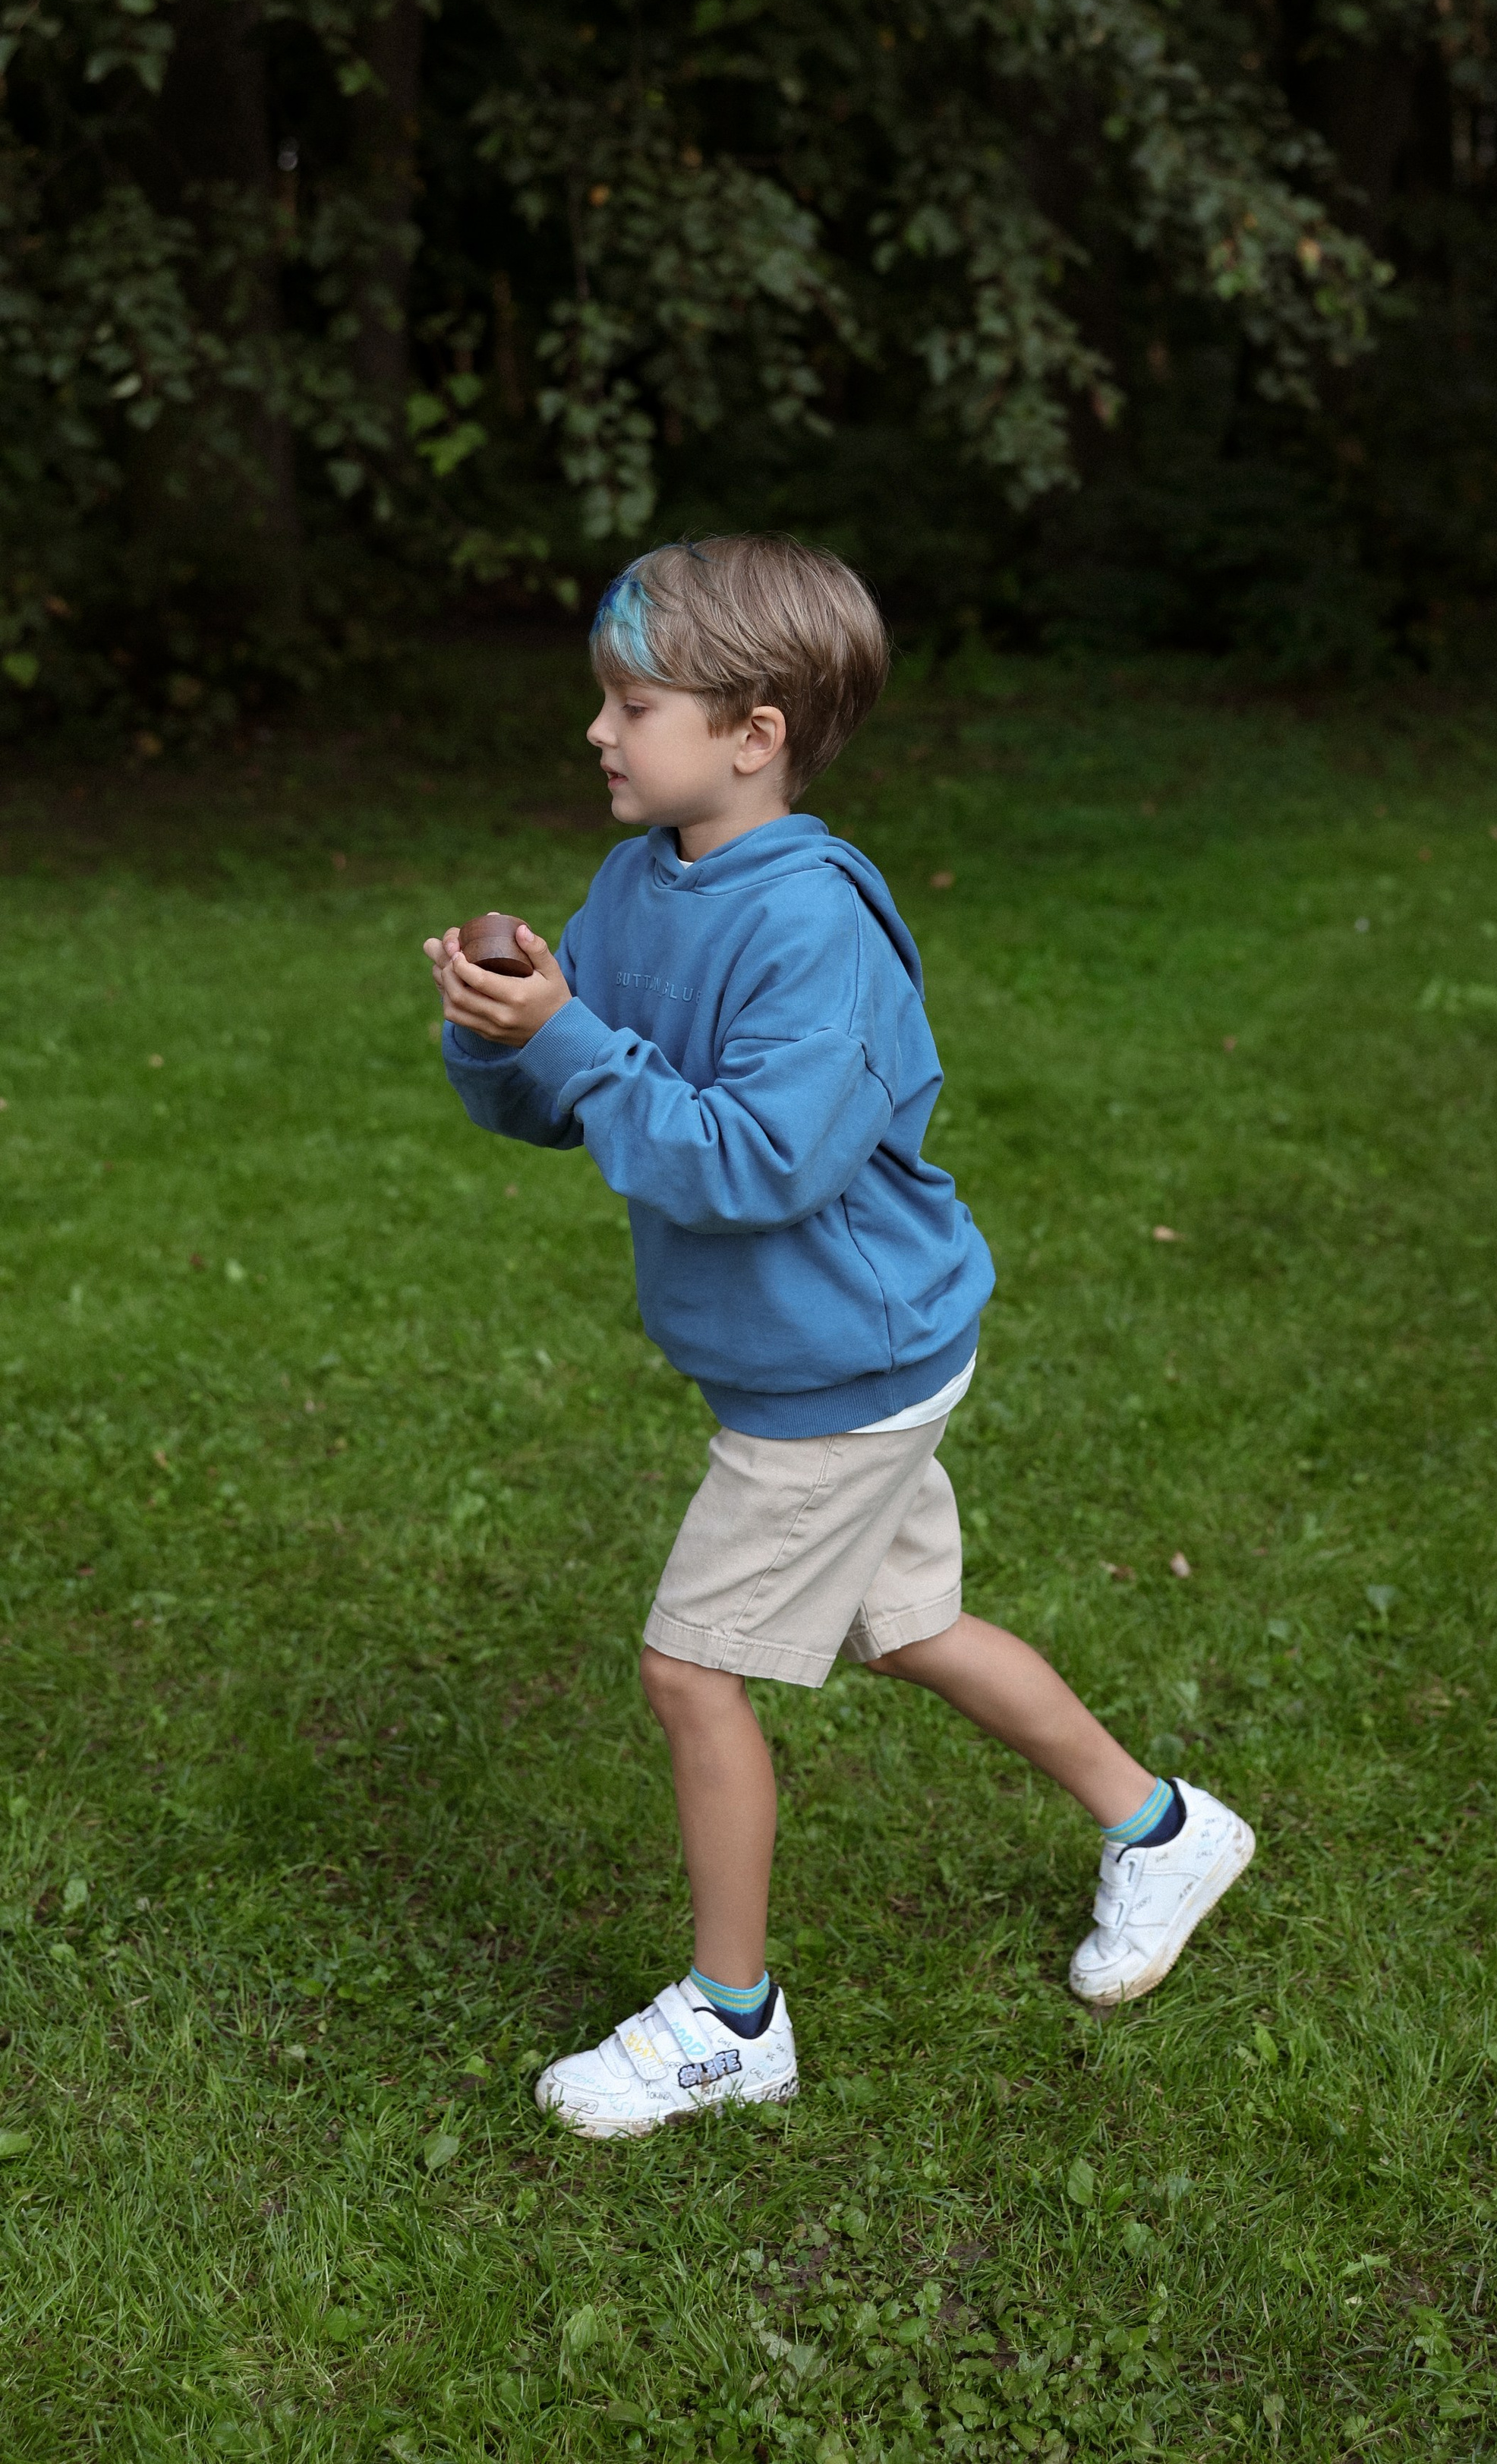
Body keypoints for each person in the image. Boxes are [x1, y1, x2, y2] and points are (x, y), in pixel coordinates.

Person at [422, 537, 1253, 2136]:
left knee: (687, 1672)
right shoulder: (638, 880)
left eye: (633, 702)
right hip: (814, 1348)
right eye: (601, 698)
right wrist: (499, 1027)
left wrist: (579, 1040)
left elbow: (749, 1162)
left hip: (839, 1370)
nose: (598, 731)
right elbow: (578, 1104)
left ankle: (732, 2021)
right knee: (908, 1627)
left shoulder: (813, 929)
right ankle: (1162, 1832)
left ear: (756, 731)